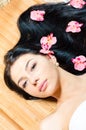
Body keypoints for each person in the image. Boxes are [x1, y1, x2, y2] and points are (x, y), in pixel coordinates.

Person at [4, 1, 86, 130]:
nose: (33, 80)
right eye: (24, 83)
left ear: (50, 57)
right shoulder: (53, 125)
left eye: (32, 67)